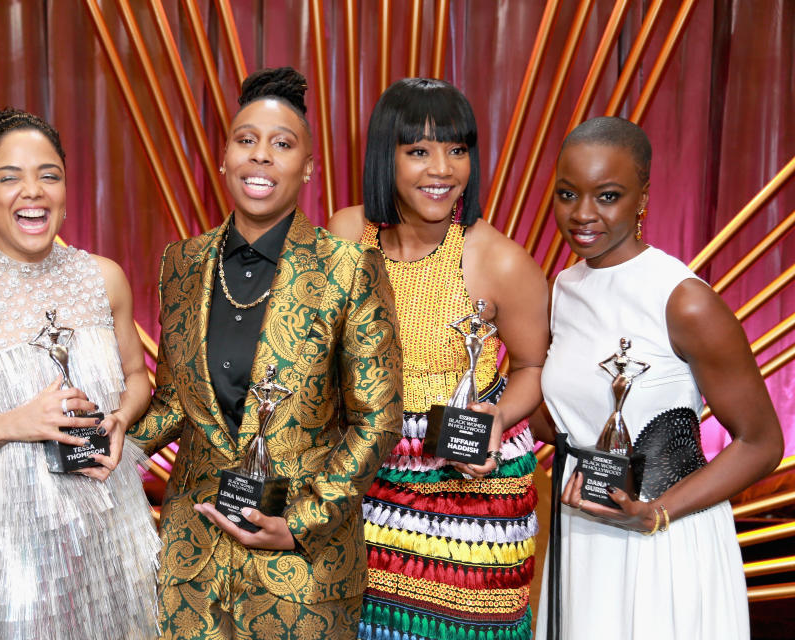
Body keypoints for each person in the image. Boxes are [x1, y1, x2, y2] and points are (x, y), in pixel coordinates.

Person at [128, 67, 403, 639]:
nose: (260, 157)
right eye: (246, 140)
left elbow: (377, 422)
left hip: (302, 568)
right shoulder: (180, 264)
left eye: (282, 144)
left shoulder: (348, 268)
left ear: (307, 169)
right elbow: (177, 401)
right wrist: (119, 441)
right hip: (192, 559)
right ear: (224, 157)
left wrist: (300, 522)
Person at [0, 108, 160, 639]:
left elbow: (139, 380)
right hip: (19, 554)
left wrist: (120, 421)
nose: (33, 191)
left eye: (48, 174)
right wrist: (16, 422)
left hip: (114, 531)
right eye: (8, 177)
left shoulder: (103, 279)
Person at [532, 116, 783, 640]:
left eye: (607, 195)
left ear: (643, 197)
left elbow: (762, 443)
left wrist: (656, 514)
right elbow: (567, 423)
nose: (582, 214)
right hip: (582, 535)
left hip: (662, 542)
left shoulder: (683, 299)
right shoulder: (564, 289)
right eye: (567, 193)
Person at [329, 78, 548, 640]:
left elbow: (532, 367)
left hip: (470, 498)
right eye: (419, 151)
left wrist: (495, 421)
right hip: (366, 484)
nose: (442, 169)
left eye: (457, 150)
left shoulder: (498, 259)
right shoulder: (346, 233)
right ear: (386, 156)